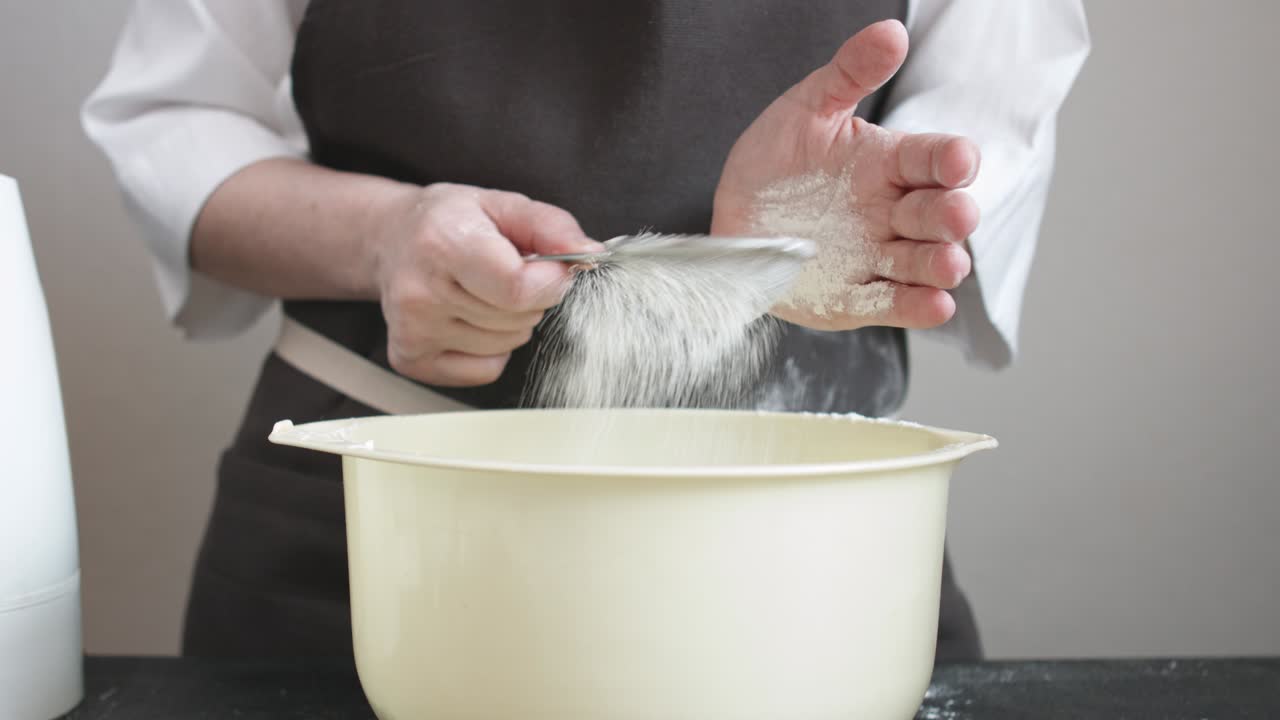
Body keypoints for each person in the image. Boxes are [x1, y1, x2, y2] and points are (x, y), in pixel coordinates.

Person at [83, 0, 1089, 660]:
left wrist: (864, 220)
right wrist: (382, 238)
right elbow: (176, 121)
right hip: (372, 548)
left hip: (809, 558)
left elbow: (989, 116)